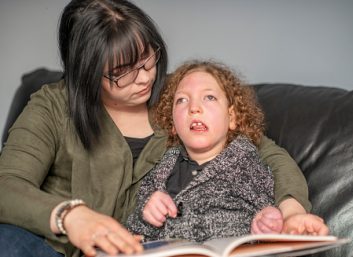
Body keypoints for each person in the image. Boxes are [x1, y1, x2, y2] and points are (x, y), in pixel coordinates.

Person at [0, 1, 322, 257]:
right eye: (121, 72)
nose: (144, 78)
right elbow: (7, 185)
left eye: (147, 59)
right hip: (49, 247)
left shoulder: (178, 101)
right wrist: (70, 216)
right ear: (87, 74)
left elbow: (269, 155)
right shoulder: (52, 106)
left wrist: (290, 212)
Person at [126, 60, 328, 242]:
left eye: (209, 97)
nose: (194, 107)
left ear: (232, 118)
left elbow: (265, 213)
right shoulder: (160, 172)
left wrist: (264, 222)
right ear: (172, 124)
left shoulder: (246, 164)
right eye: (182, 100)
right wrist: (147, 215)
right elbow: (133, 229)